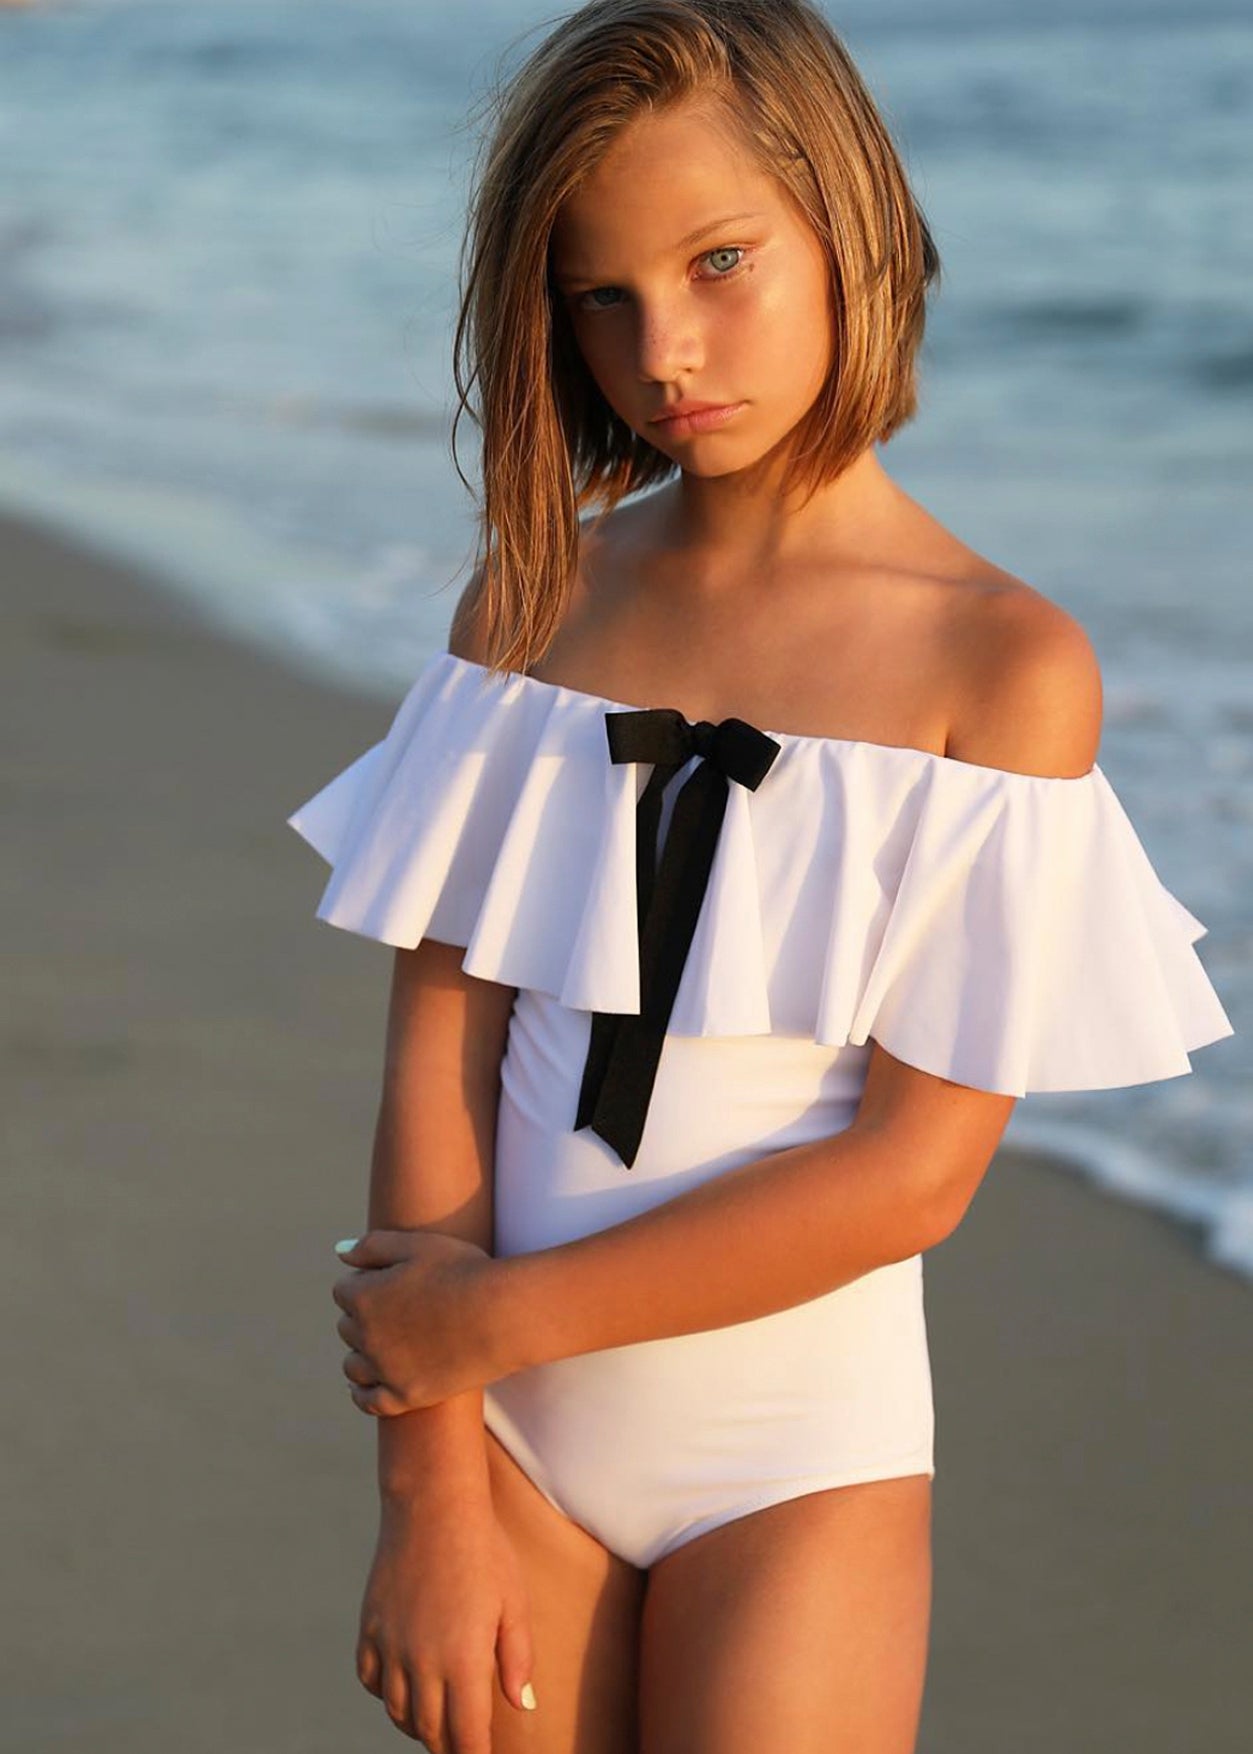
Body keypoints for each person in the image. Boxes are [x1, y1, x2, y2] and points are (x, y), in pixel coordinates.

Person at [287, 3, 1235, 1749]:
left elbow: (908, 1177)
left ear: (846, 225)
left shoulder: (998, 665)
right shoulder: (531, 604)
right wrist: (427, 1491)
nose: (665, 349)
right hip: (502, 1438)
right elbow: (438, 1068)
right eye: (602, 294)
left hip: (791, 1455)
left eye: (719, 262)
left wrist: (483, 1322)